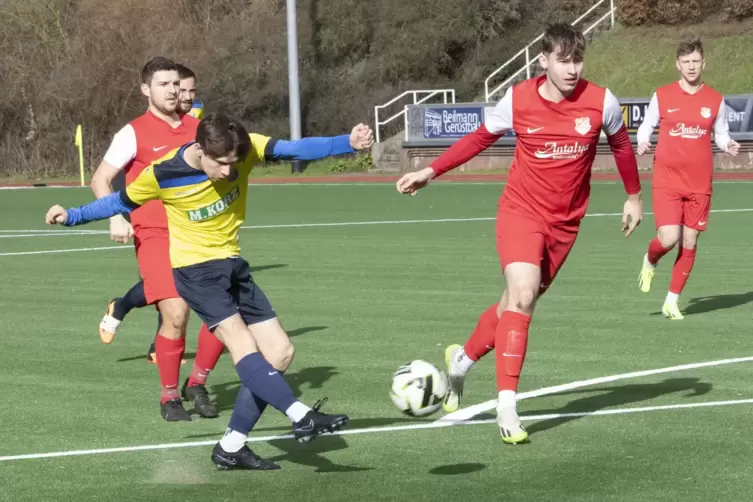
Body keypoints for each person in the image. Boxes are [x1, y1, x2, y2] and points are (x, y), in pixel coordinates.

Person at [46, 113, 373, 469]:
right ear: (200, 149)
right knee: (242, 345)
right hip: (195, 271)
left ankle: (231, 447)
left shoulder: (244, 150)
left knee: (279, 352)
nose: (228, 172)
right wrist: (72, 216)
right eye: (220, 164)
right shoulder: (162, 172)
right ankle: (301, 415)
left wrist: (347, 143)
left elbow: (295, 147)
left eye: (235, 164)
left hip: (233, 265)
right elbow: (117, 202)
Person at [395, 23, 643, 444]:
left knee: (514, 305)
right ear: (543, 60)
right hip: (521, 211)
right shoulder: (518, 100)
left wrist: (634, 196)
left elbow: (620, 145)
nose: (572, 69)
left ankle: (460, 361)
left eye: (577, 60)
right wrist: (429, 170)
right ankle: (507, 406)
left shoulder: (601, 102)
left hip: (566, 222)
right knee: (524, 294)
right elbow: (478, 139)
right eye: (563, 61)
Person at [91, 57, 218, 421]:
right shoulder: (133, 132)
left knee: (222, 312)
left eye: (176, 84)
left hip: (199, 231)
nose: (173, 90)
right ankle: (169, 396)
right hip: (155, 233)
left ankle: (197, 383)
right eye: (163, 84)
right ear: (146, 89)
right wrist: (115, 215)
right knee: (176, 312)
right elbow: (101, 179)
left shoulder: (199, 128)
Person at [636, 38, 740, 320]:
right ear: (678, 65)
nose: (692, 67)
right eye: (687, 62)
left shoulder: (716, 100)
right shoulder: (663, 95)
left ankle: (672, 301)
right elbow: (646, 125)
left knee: (690, 240)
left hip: (699, 181)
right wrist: (643, 141)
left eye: (696, 61)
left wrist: (727, 143)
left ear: (703, 63)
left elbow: (720, 133)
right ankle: (650, 259)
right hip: (668, 178)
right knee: (669, 237)